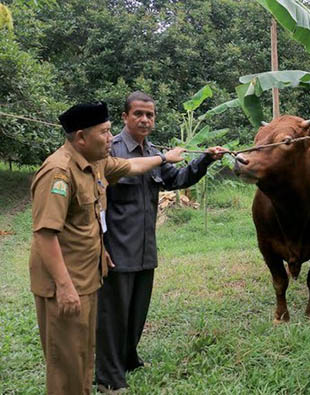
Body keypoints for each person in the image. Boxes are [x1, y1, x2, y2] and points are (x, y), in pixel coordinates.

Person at [29, 101, 187, 395]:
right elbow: (45, 235)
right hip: (65, 281)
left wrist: (164, 157)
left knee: (84, 354)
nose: (110, 138)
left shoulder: (96, 163)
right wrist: (64, 286)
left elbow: (134, 165)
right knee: (66, 363)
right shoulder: (59, 172)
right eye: (104, 132)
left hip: (87, 276)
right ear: (80, 137)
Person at [95, 92, 226, 393]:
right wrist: (100, 246)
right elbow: (95, 203)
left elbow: (177, 179)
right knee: (112, 315)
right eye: (138, 113)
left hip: (144, 248)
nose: (145, 119)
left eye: (150, 115)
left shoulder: (152, 152)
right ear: (125, 116)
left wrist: (205, 159)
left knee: (136, 311)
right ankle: (108, 378)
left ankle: (129, 359)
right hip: (116, 249)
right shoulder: (110, 151)